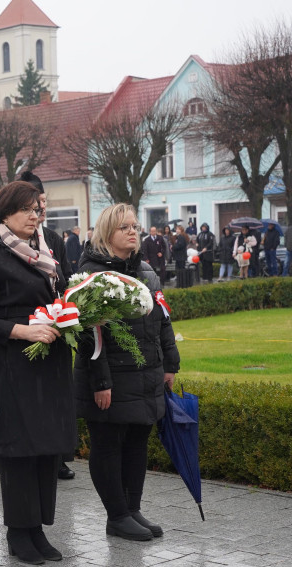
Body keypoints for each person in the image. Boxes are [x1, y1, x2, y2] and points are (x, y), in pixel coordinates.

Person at [0, 180, 76, 565]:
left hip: (48, 367)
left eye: (37, 209)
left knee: (46, 450)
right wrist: (22, 330)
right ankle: (18, 532)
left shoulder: (46, 251)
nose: (35, 215)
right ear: (5, 214)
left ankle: (38, 528)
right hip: (12, 368)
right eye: (27, 210)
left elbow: (58, 300)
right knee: (19, 453)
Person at [74, 204, 180, 541]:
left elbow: (162, 319)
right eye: (125, 228)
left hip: (145, 372)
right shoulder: (91, 275)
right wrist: (100, 381)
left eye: (135, 226)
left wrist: (170, 364)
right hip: (112, 376)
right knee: (107, 444)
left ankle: (133, 508)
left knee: (137, 442)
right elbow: (90, 334)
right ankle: (116, 516)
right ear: (107, 234)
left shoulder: (146, 270)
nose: (133, 232)